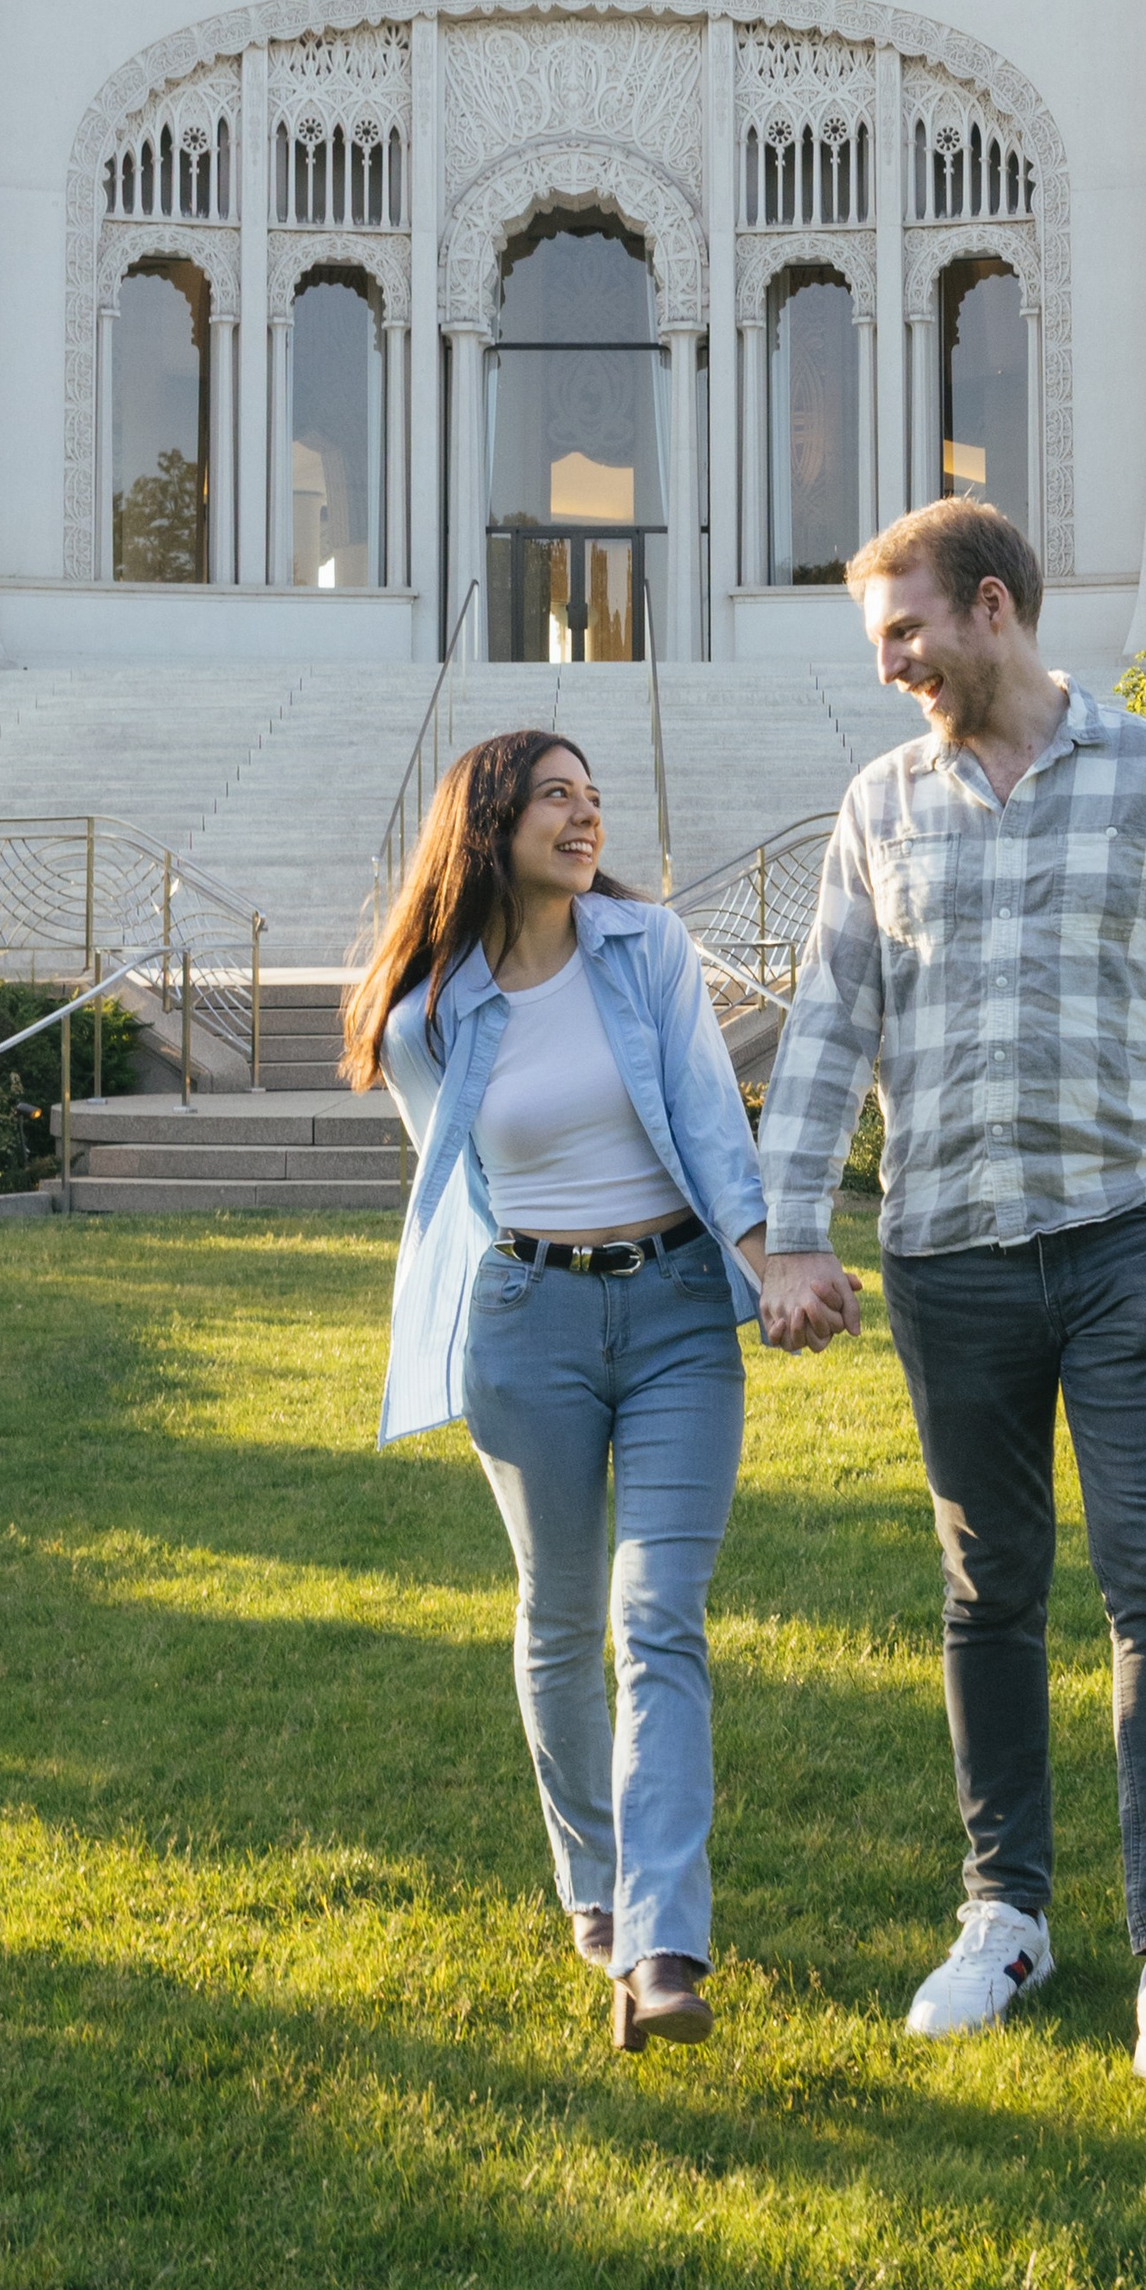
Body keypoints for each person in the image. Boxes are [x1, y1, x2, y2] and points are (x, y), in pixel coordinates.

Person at [757, 497, 1146, 2094]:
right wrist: (793, 1232)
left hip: (1138, 1234)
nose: (892, 669)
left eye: (905, 634)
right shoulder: (880, 804)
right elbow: (828, 1025)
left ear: (991, 608)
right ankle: (1006, 1912)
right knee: (988, 1592)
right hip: (952, 1256)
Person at [341, 728, 767, 2055]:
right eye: (557, 799)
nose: (587, 818)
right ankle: (595, 1889)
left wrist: (766, 1261)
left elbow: (708, 1113)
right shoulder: (426, 1015)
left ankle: (664, 1945)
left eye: (594, 798)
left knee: (658, 1617)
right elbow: (457, 1184)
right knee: (560, 1611)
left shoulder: (648, 951)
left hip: (682, 1310)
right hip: (528, 1322)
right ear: (491, 822)